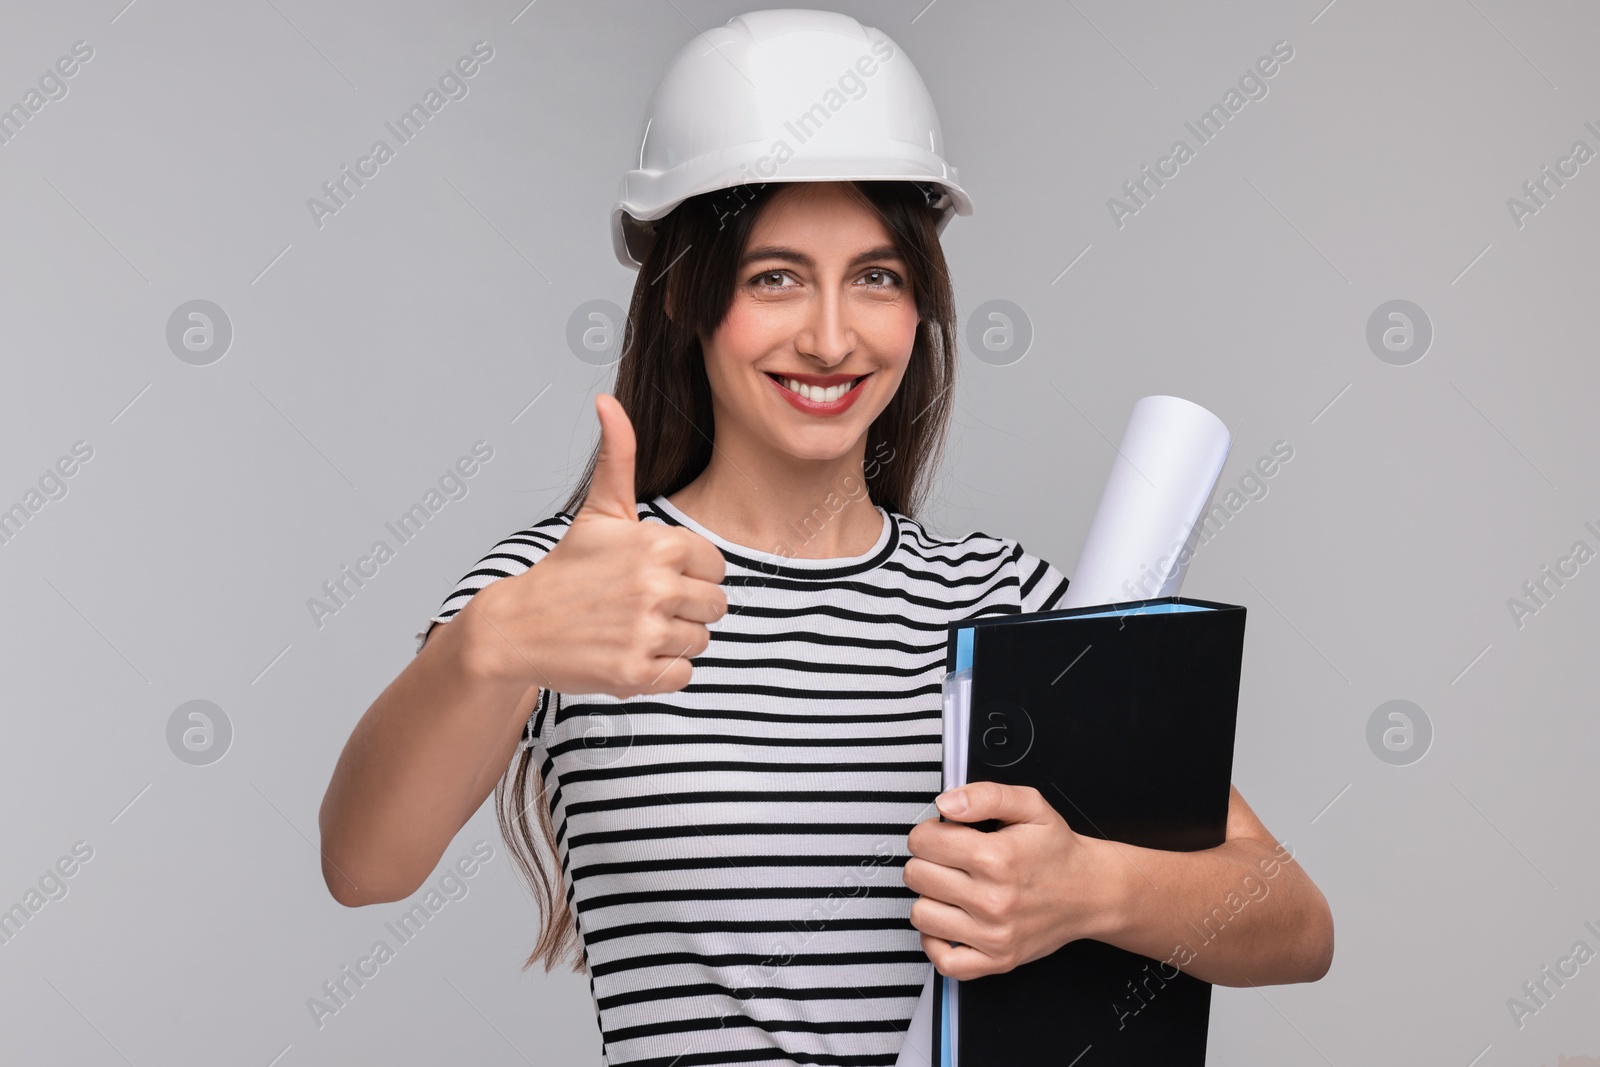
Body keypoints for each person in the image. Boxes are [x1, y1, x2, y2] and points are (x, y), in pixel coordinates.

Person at [317, 10, 1334, 1066]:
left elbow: (1293, 921)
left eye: (877, 276)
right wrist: (494, 643)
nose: (833, 335)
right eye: (775, 276)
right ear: (681, 291)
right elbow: (363, 862)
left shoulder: (1012, 604)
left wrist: (1090, 888)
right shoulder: (578, 588)